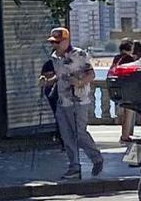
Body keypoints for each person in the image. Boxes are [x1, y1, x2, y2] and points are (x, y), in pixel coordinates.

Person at [38, 27, 104, 180]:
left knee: (79, 133)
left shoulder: (79, 54)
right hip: (62, 100)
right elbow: (60, 77)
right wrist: (47, 82)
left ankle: (96, 158)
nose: (54, 45)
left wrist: (80, 82)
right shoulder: (54, 57)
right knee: (66, 135)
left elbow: (91, 74)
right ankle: (74, 166)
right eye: (53, 42)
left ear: (66, 41)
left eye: (57, 42)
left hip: (79, 100)